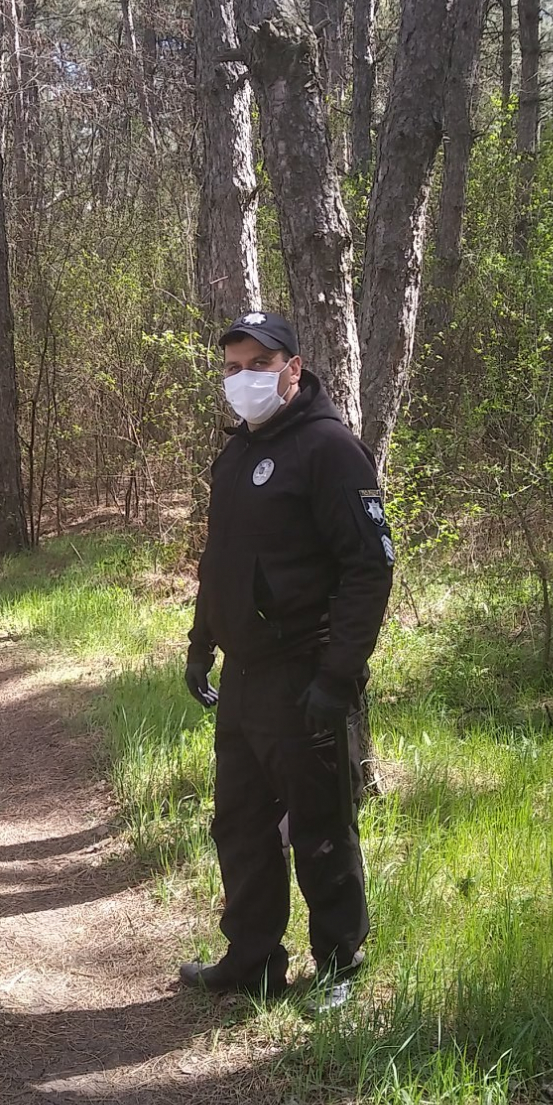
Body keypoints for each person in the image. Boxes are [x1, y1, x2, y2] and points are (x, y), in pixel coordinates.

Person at [181, 311, 395, 999]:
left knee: (321, 824)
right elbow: (219, 563)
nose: (242, 379)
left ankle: (340, 966)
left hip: (308, 675)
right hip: (245, 680)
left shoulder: (330, 449)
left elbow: (370, 567)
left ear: (293, 370)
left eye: (258, 366)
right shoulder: (236, 453)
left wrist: (339, 676)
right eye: (232, 367)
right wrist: (201, 644)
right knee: (239, 823)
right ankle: (252, 963)